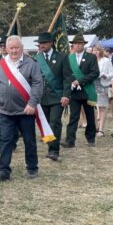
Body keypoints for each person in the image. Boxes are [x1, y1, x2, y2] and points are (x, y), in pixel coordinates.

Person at [0, 35, 43, 181]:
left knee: (29, 140)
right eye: (11, 48)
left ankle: (32, 168)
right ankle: (3, 170)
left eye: (17, 47)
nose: (14, 51)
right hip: (5, 110)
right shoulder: (1, 64)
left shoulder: (32, 64)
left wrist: (32, 103)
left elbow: (38, 84)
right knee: (5, 140)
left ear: (22, 48)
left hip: (25, 110)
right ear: (6, 49)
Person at [33, 32, 71, 161]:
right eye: (40, 43)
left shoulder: (62, 57)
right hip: (41, 97)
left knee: (55, 122)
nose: (41, 45)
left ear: (50, 43)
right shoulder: (36, 58)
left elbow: (67, 78)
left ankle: (54, 150)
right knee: (46, 124)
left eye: (43, 43)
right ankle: (50, 144)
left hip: (57, 96)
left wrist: (66, 95)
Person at [62, 34, 100, 148]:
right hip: (74, 92)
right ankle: (70, 140)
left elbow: (95, 73)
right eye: (76, 43)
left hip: (87, 91)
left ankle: (91, 138)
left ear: (84, 45)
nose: (78, 45)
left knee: (90, 116)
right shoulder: (69, 58)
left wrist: (80, 81)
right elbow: (66, 74)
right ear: (72, 45)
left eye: (80, 43)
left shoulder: (91, 57)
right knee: (74, 117)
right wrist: (73, 82)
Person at [94, 46, 113, 138]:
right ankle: (94, 127)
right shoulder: (89, 60)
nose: (95, 52)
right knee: (92, 108)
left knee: (102, 107)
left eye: (97, 50)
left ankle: (101, 129)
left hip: (102, 85)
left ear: (101, 51)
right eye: (94, 50)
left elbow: (112, 73)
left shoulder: (106, 60)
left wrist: (105, 75)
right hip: (91, 85)